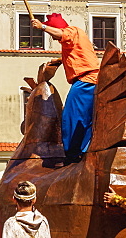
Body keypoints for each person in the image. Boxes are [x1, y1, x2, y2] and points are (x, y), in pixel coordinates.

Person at [31, 13, 100, 161]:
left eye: (53, 33)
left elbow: (61, 33)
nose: (54, 38)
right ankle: (81, 150)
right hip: (89, 80)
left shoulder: (72, 31)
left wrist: (42, 27)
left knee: (70, 117)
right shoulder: (73, 40)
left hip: (85, 80)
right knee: (83, 117)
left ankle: (74, 154)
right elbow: (76, 55)